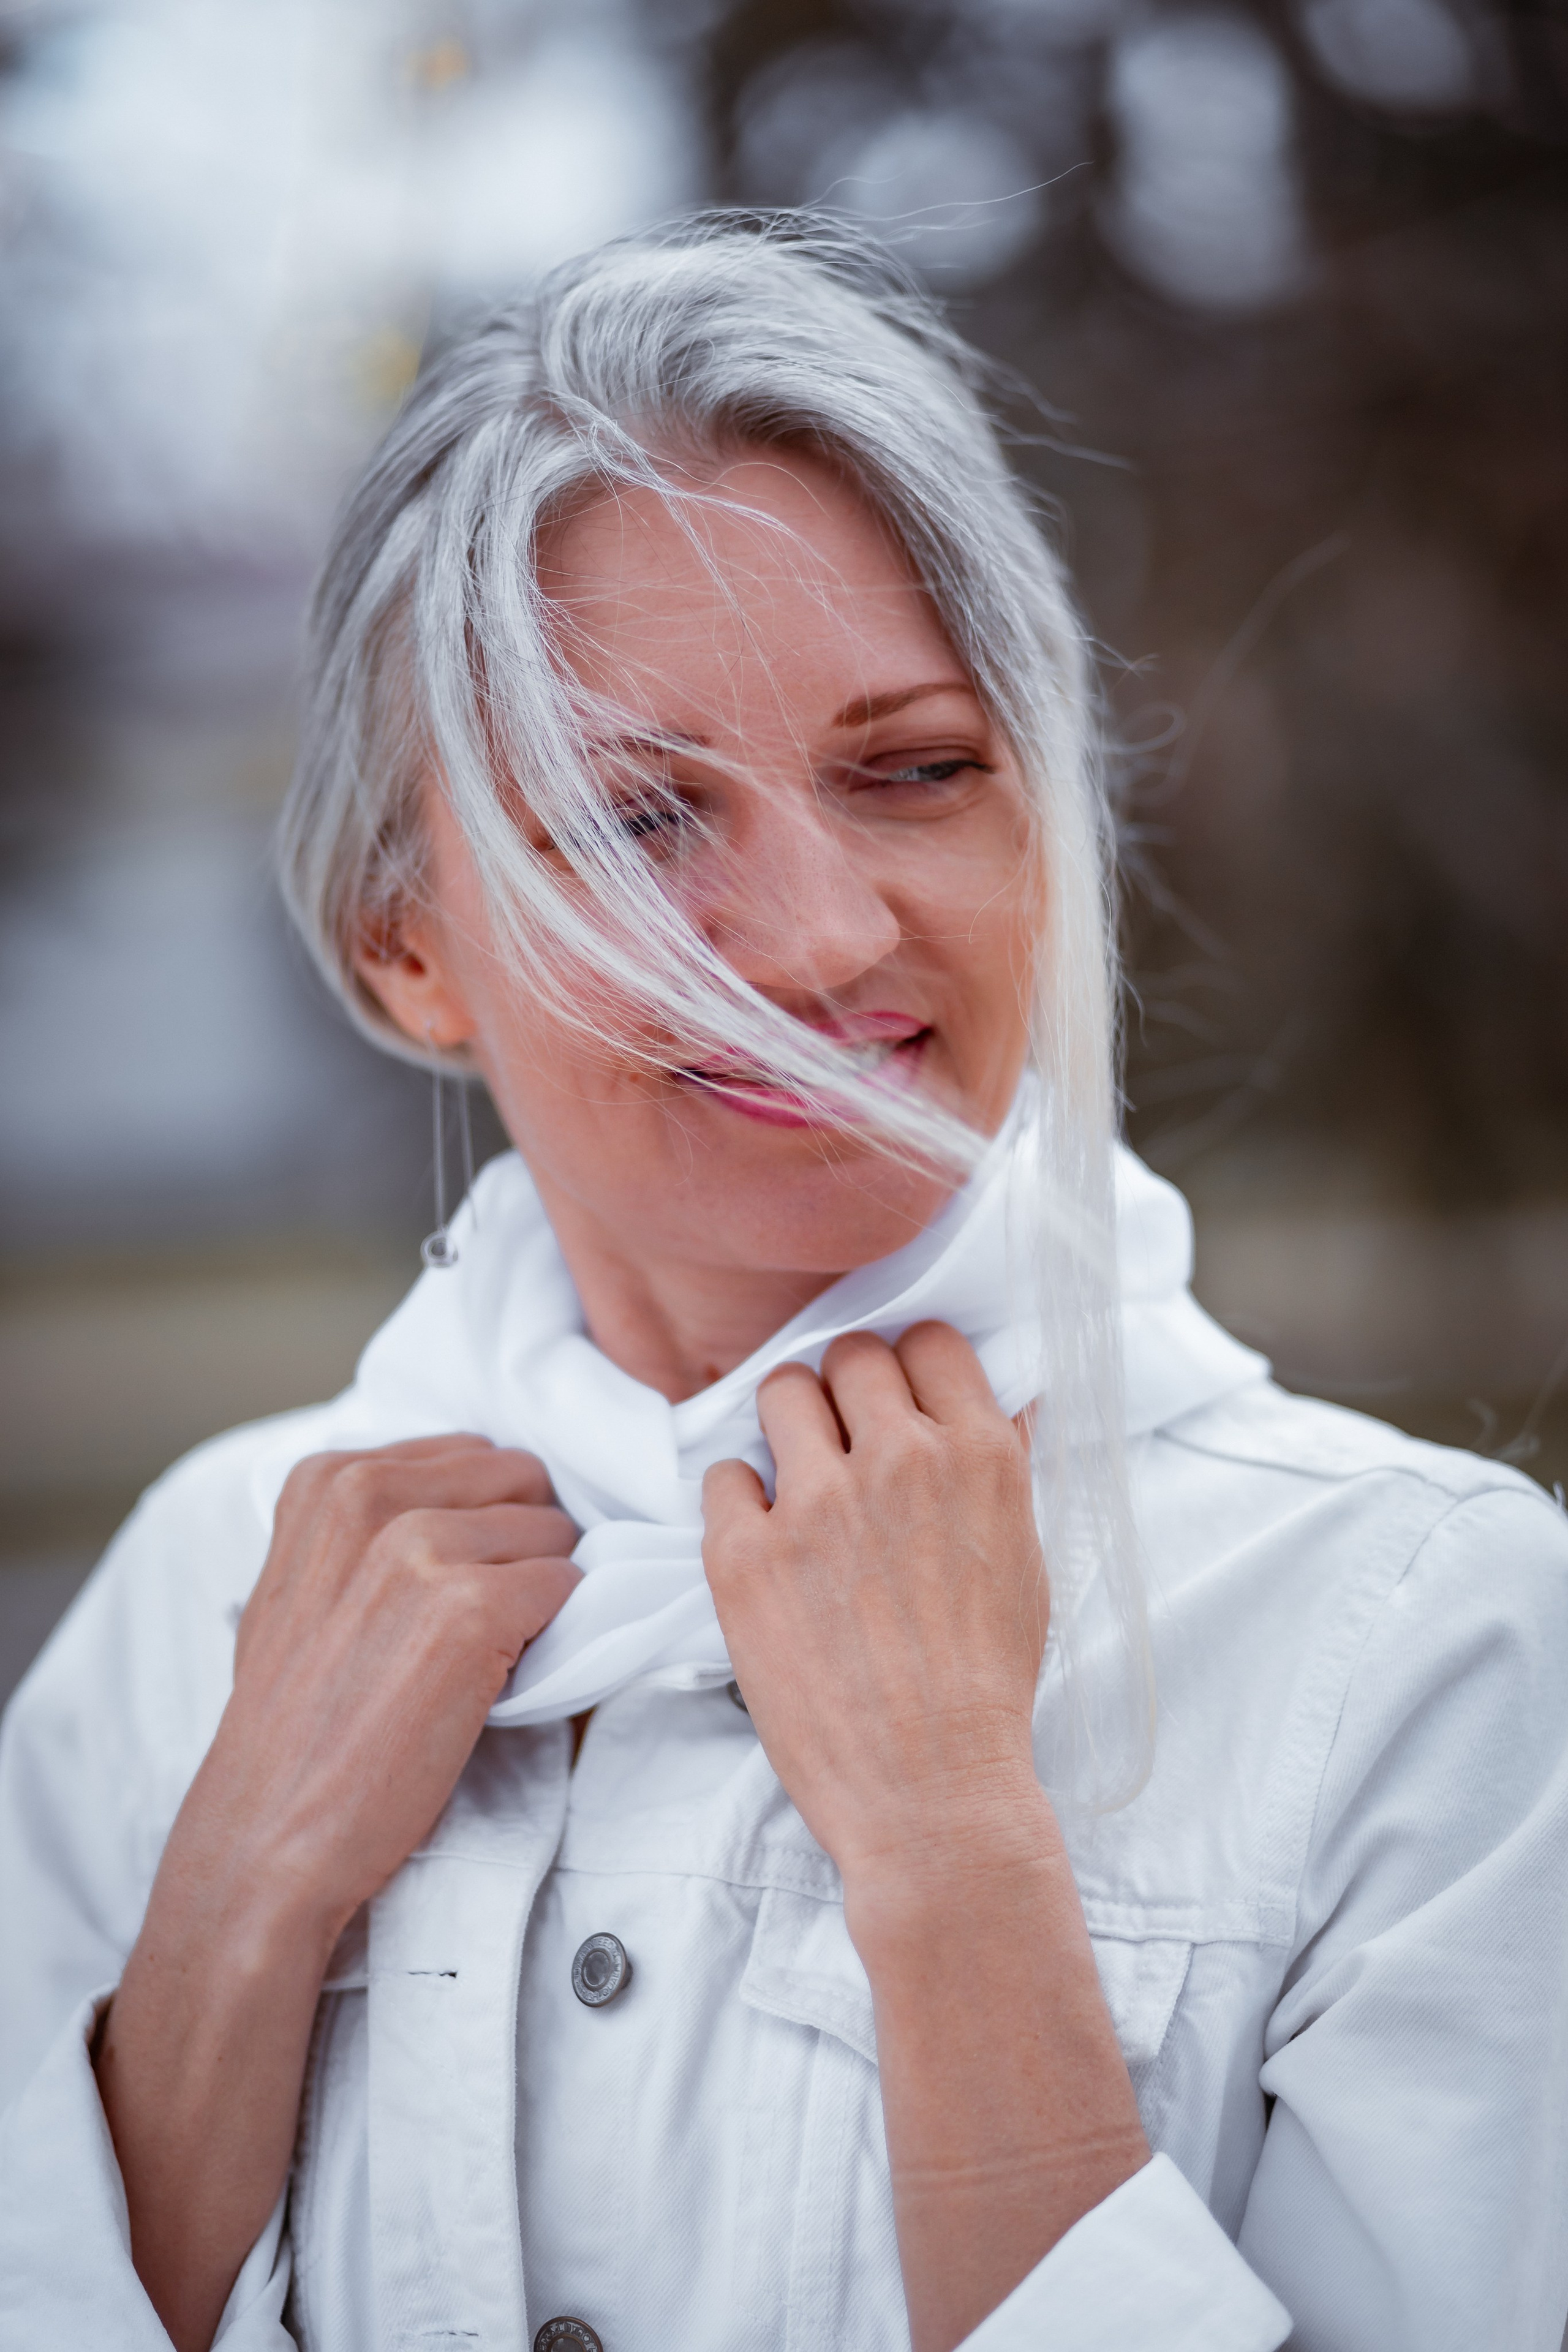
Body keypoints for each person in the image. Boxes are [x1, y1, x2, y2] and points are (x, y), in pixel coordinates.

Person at [2, 216, 1566, 2352]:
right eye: (641, 818)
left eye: (916, 768)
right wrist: (231, 1914)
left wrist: (948, 1860)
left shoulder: (1430, 1646)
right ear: (406, 944)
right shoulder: (198, 1608)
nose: (826, 936)